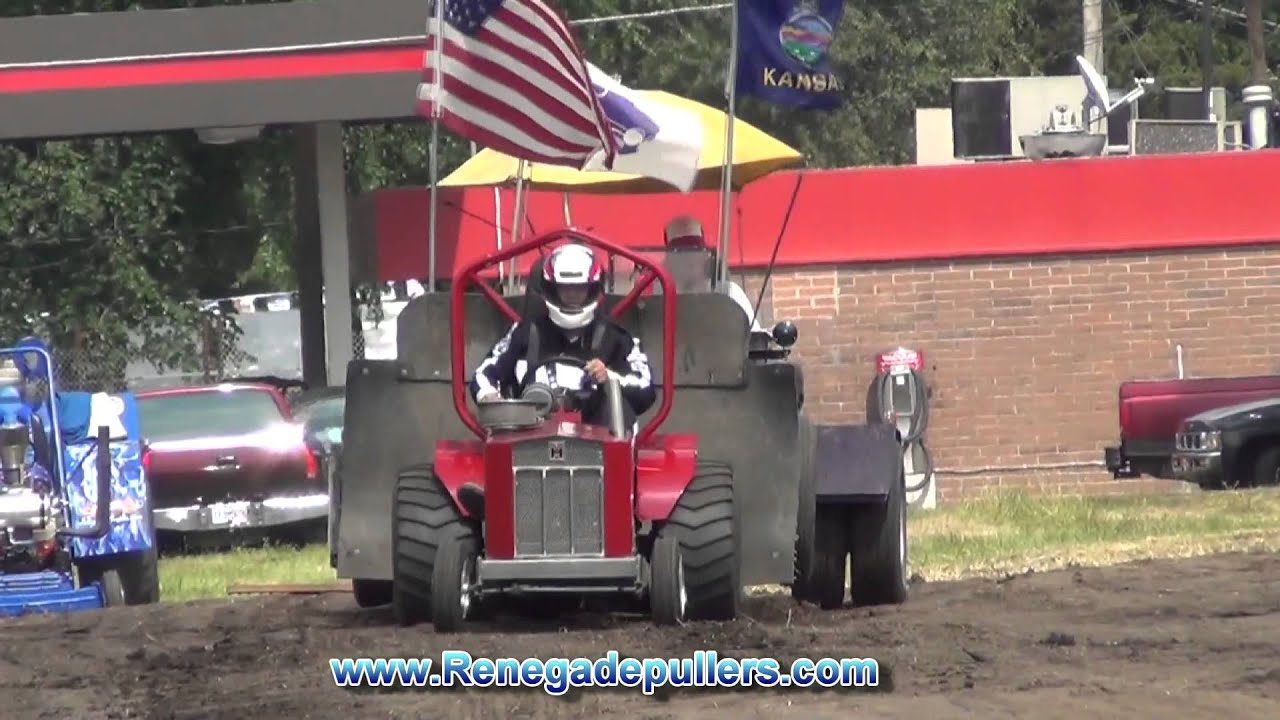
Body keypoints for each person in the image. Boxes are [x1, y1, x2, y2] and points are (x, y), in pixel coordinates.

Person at [469, 242, 656, 429]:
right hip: (528, 441)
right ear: (551, 288)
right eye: (565, 288)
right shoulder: (525, 333)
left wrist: (610, 378)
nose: (572, 295)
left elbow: (646, 389)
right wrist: (490, 396)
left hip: (601, 446)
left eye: (579, 288)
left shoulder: (616, 338)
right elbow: (483, 375)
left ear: (592, 288)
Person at [661, 215, 763, 333]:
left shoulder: (729, 293)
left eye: (696, 250)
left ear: (705, 255)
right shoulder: (660, 299)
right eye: (681, 253)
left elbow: (755, 337)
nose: (690, 258)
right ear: (670, 260)